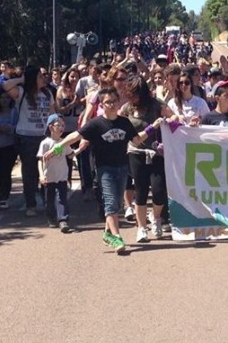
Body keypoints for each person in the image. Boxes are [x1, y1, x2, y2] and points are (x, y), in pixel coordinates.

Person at [44, 87, 163, 255]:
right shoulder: (96, 124)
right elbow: (76, 136)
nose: (112, 104)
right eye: (108, 102)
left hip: (122, 168)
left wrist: (152, 128)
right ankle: (117, 238)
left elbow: (136, 140)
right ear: (102, 104)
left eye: (115, 101)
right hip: (104, 170)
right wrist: (57, 148)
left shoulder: (124, 122)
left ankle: (108, 233)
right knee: (110, 204)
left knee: (117, 204)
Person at [120, 76, 174, 243]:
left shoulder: (156, 104)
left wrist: (167, 122)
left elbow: (174, 117)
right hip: (135, 153)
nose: (133, 97)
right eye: (131, 94)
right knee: (141, 192)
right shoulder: (127, 108)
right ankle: (141, 228)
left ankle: (156, 217)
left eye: (136, 94)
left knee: (159, 191)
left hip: (156, 153)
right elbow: (118, 121)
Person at [3, 65, 56, 217]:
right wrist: (22, 79)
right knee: (30, 172)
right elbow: (5, 85)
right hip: (26, 137)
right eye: (40, 76)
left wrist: (55, 133)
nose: (44, 78)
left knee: (46, 170)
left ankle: (47, 201)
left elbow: (52, 114)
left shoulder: (47, 94)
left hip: (44, 136)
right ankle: (30, 203)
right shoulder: (22, 92)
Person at [38, 114, 74, 233]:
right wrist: (41, 175)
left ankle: (63, 219)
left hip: (62, 177)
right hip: (49, 177)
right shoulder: (45, 143)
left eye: (63, 125)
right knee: (49, 199)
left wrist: (81, 148)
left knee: (61, 198)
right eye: (58, 125)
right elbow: (40, 160)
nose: (61, 128)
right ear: (51, 127)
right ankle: (51, 217)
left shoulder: (65, 142)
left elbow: (70, 155)